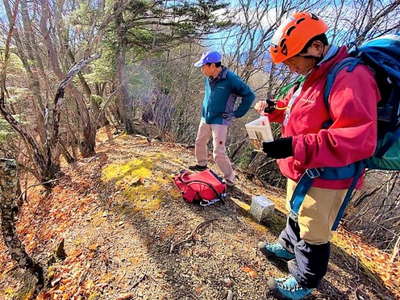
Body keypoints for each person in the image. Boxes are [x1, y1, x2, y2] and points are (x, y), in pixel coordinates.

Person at [254, 12, 380, 299]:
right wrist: (276, 111)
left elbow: (357, 137)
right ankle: (287, 246)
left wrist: (294, 145)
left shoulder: (350, 77)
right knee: (295, 211)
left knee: (313, 228)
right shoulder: (313, 74)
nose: (289, 67)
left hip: (328, 174)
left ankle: (305, 279)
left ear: (317, 48)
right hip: (302, 166)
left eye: (293, 59)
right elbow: (305, 110)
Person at [189, 51, 255, 186]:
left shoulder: (231, 79)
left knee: (218, 152)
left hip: (220, 120)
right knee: (199, 142)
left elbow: (249, 95)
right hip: (206, 117)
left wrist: (237, 113)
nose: (201, 69)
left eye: (203, 66)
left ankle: (229, 179)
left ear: (212, 65)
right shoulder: (209, 77)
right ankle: (201, 165)